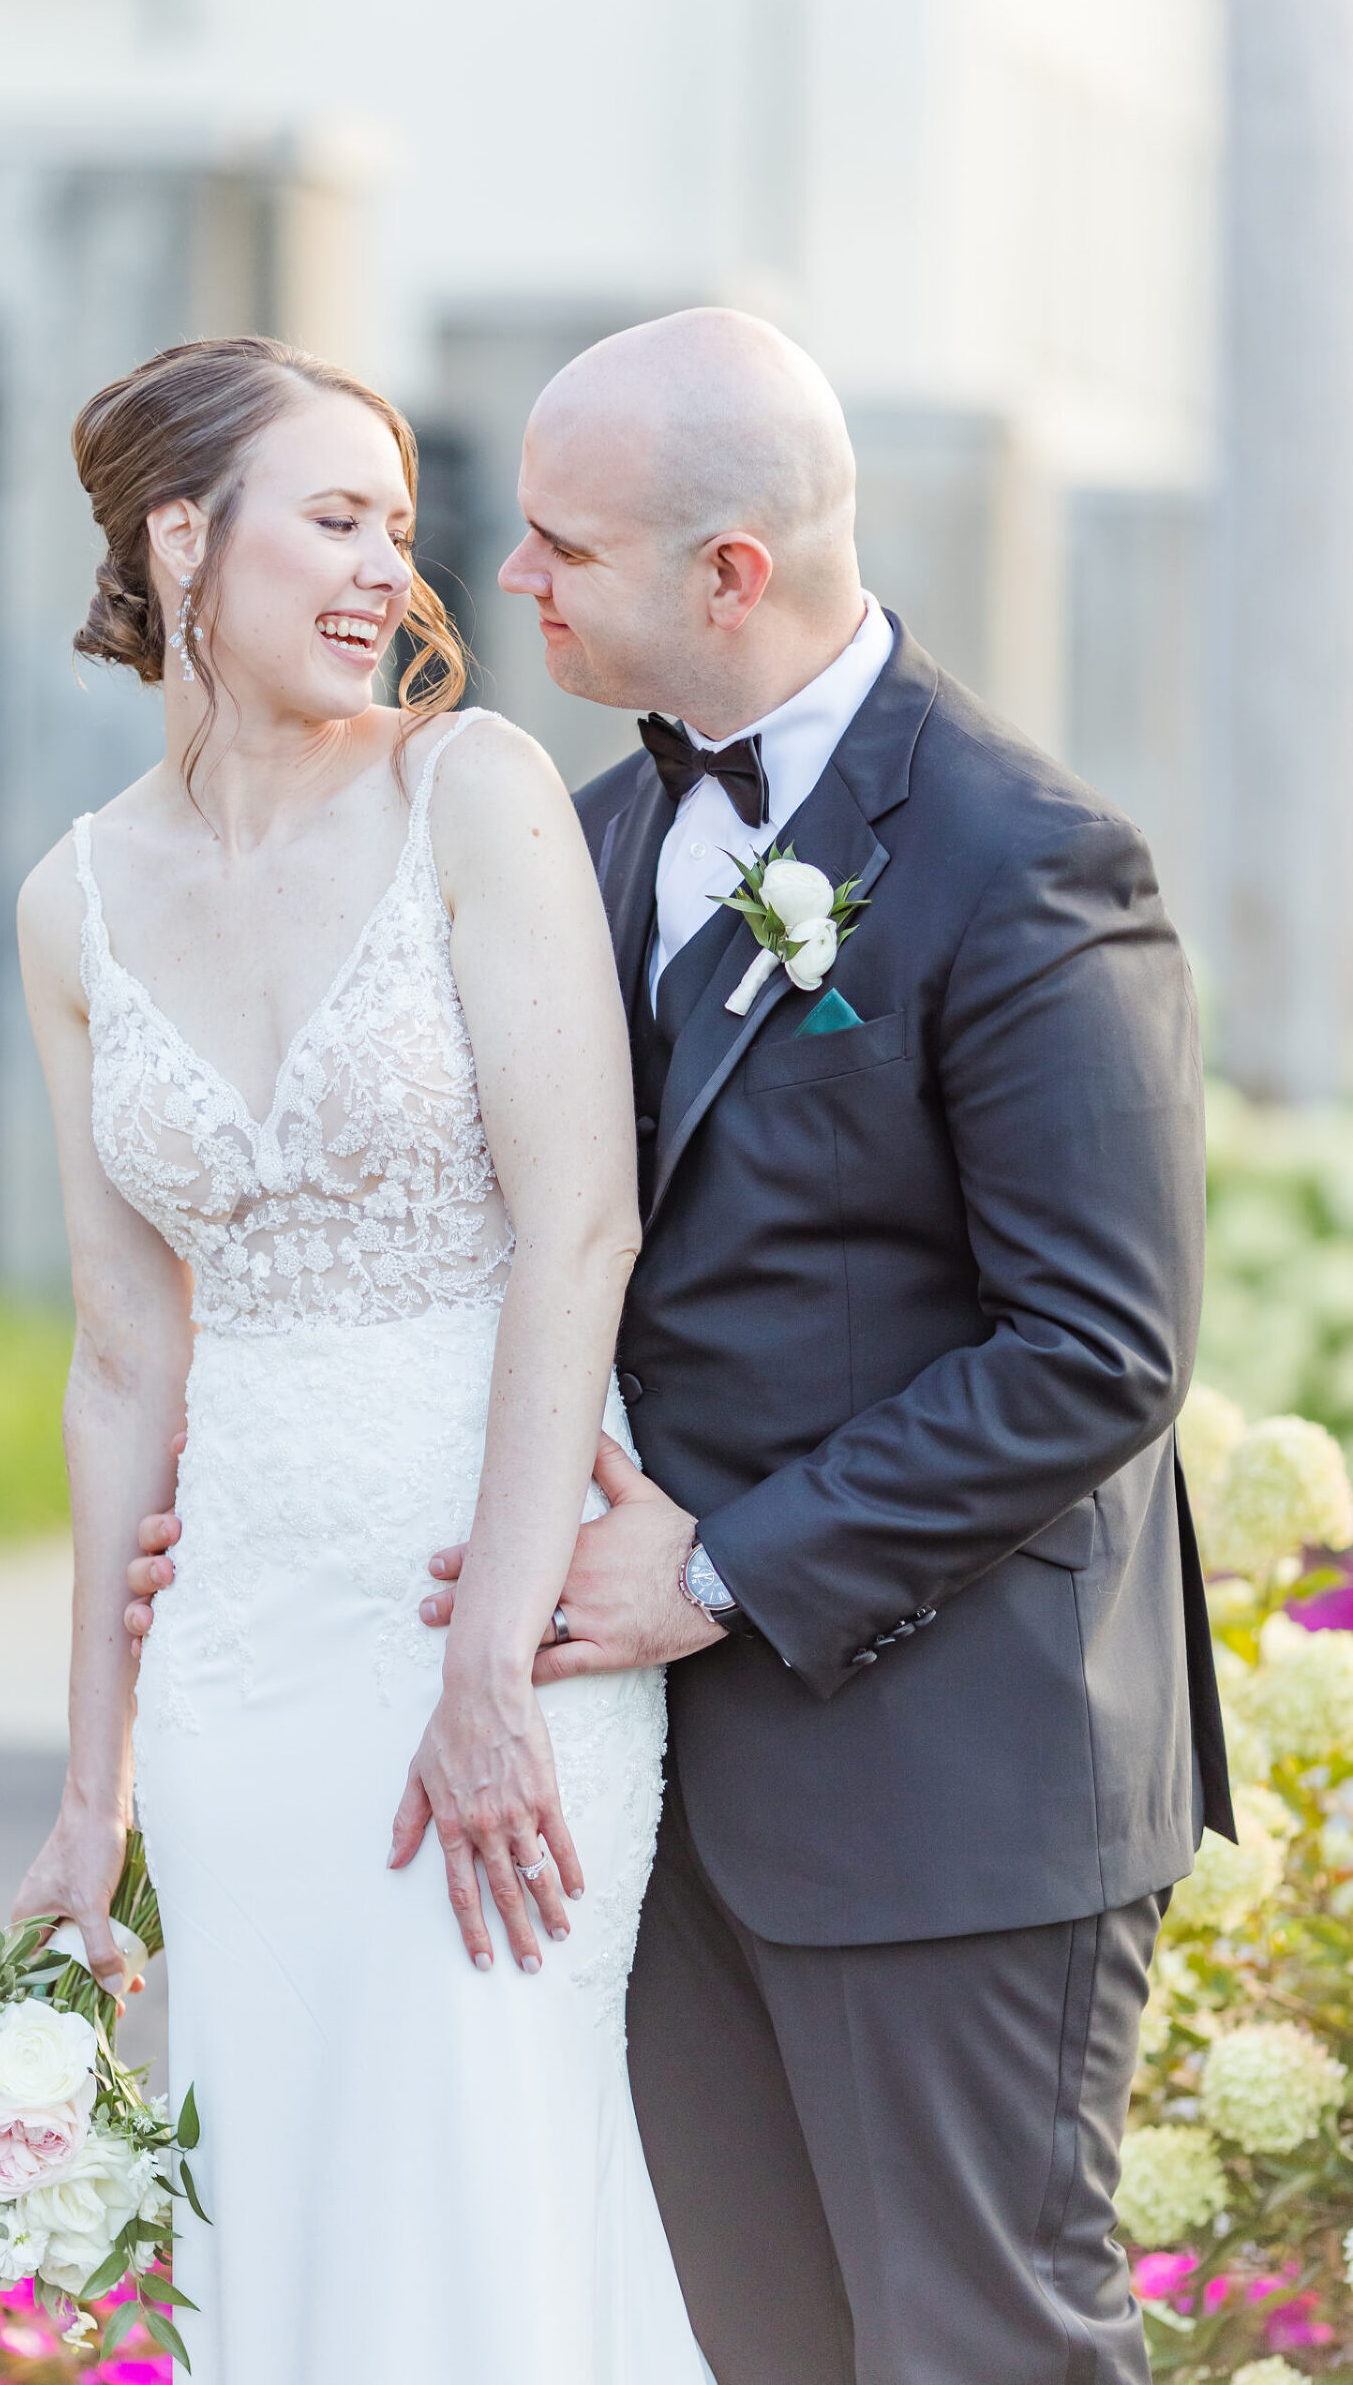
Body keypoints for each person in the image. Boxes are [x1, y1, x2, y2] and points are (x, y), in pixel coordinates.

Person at [129, 309, 1233, 2385]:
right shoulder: (583, 832)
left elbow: (1097, 1350)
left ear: (727, 573)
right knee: (738, 2349)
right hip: (651, 1791)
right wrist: (281, 1490)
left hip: (950, 1785)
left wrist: (715, 1565)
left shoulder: (1024, 859)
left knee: (976, 2346)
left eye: (561, 545)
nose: (504, 577)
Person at [10, 335, 709, 2384]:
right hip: (241, 1670)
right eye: (332, 520)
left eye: (395, 529)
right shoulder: (70, 903)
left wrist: (489, 1658)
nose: (386, 573)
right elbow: (121, 1360)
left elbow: (579, 1229)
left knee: (481, 2169)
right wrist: (92, 1796)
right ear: (178, 540)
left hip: (489, 1615)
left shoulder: (463, 791)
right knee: (286, 2196)